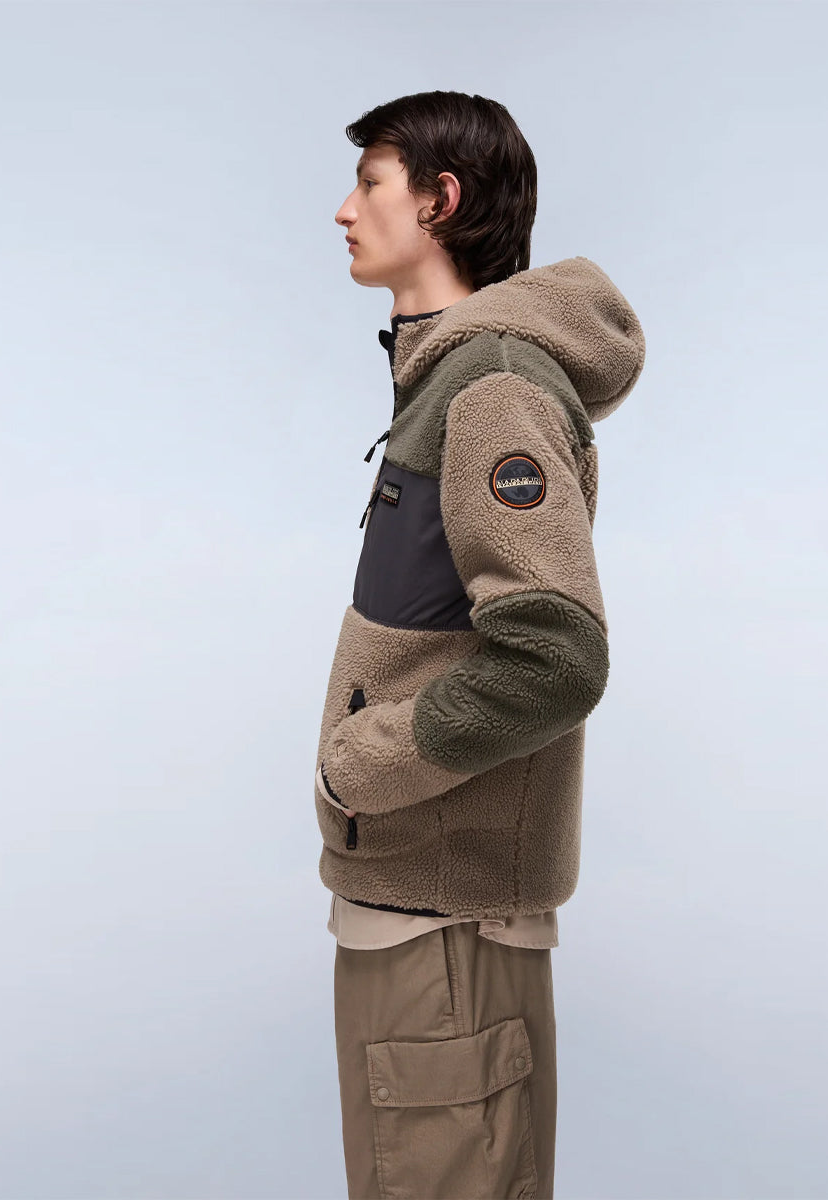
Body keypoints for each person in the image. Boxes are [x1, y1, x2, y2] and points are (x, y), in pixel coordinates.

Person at [318, 89, 645, 1200]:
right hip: (417, 909)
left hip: (444, 928)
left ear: (440, 201)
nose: (344, 210)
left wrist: (366, 764)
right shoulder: (449, 379)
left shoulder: (494, 390)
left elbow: (555, 656)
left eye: (369, 183)